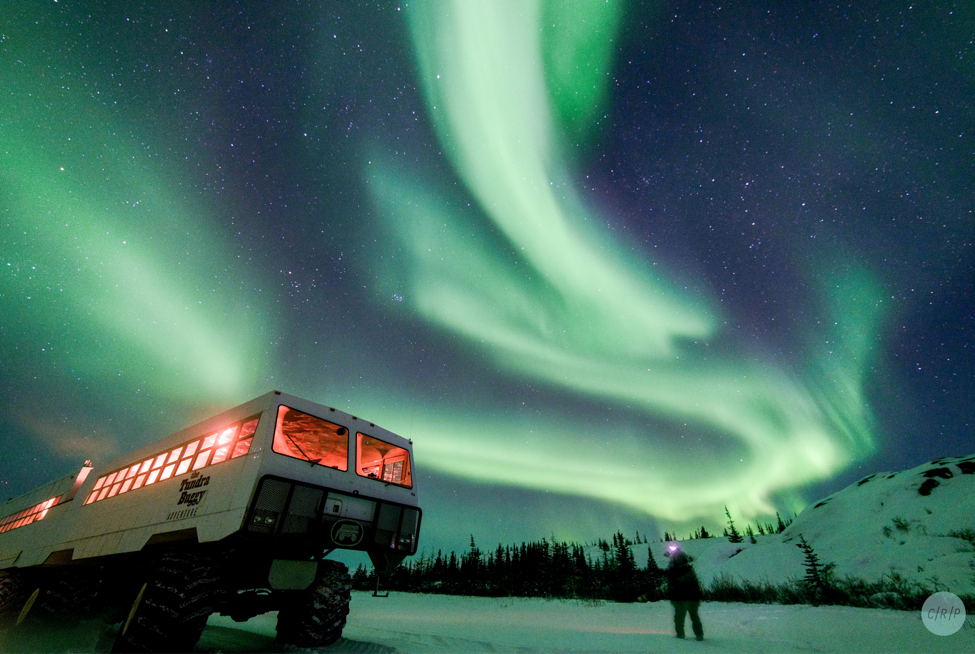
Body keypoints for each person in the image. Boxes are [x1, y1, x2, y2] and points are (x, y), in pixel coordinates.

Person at [665, 544, 704, 641]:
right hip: (692, 597)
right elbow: (694, 584)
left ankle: (680, 636)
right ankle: (699, 635)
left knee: (679, 617)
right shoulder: (689, 570)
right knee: (694, 616)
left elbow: (672, 586)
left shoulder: (673, 571)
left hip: (679, 598)